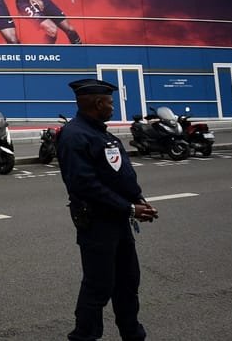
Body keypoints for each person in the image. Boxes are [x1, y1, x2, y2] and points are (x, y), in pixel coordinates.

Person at [57, 79, 157, 341]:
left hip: (120, 219)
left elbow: (120, 173)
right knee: (98, 286)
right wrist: (129, 208)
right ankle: (83, 336)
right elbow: (84, 184)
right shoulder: (74, 135)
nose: (113, 107)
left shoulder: (101, 133)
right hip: (97, 222)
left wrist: (138, 199)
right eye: (110, 102)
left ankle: (132, 334)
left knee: (127, 282)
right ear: (98, 103)